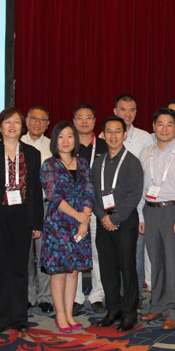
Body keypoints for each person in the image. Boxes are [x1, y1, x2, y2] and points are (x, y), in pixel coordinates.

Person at [0, 108, 44, 332]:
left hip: (22, 216)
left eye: (16, 122)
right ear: (0, 126)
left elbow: (35, 191)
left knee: (20, 268)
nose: (12, 126)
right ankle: (1, 318)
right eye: (7, 122)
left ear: (22, 126)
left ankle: (19, 317)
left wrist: (36, 222)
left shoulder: (32, 153)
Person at [138, 108, 175, 330]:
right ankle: (157, 305)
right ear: (153, 127)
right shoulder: (145, 153)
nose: (164, 129)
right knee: (156, 262)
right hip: (150, 211)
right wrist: (140, 215)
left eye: (169, 124)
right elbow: (141, 188)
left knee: (174, 263)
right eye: (160, 124)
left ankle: (173, 310)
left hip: (173, 211)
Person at [39, 121, 94, 333]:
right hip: (58, 224)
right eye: (61, 137)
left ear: (75, 139)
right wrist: (79, 216)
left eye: (69, 136)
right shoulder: (49, 164)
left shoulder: (83, 163)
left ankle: (70, 313)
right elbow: (53, 196)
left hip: (80, 224)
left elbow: (89, 191)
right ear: (55, 141)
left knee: (74, 271)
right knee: (59, 271)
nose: (65, 141)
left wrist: (84, 219)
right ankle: (60, 315)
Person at [92, 116, 144, 331]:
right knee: (107, 268)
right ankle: (113, 309)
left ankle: (130, 313)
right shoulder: (98, 162)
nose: (113, 136)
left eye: (117, 132)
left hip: (124, 222)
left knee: (127, 267)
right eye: (109, 132)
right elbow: (92, 194)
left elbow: (134, 195)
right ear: (103, 135)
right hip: (103, 221)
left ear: (124, 134)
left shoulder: (132, 162)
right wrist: (102, 217)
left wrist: (115, 218)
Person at [112, 94, 153, 308]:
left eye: (132, 109)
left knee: (135, 254)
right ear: (115, 111)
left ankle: (135, 296)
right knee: (114, 254)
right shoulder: (106, 135)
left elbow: (147, 175)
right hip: (111, 206)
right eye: (123, 109)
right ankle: (117, 295)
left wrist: (141, 210)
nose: (127, 114)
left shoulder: (145, 138)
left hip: (136, 205)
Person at [73, 103, 107, 314]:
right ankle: (75, 297)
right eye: (80, 117)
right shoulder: (67, 144)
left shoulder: (104, 145)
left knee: (98, 253)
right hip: (75, 211)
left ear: (95, 121)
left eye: (88, 117)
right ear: (74, 121)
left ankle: (97, 295)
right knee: (75, 252)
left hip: (98, 209)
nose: (84, 121)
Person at [21, 105, 54, 313]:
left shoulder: (53, 146)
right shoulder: (16, 143)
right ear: (26, 120)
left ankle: (45, 296)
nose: (37, 123)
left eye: (42, 120)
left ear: (48, 124)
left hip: (46, 205)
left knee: (44, 253)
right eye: (34, 118)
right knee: (23, 253)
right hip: (22, 207)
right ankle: (27, 295)